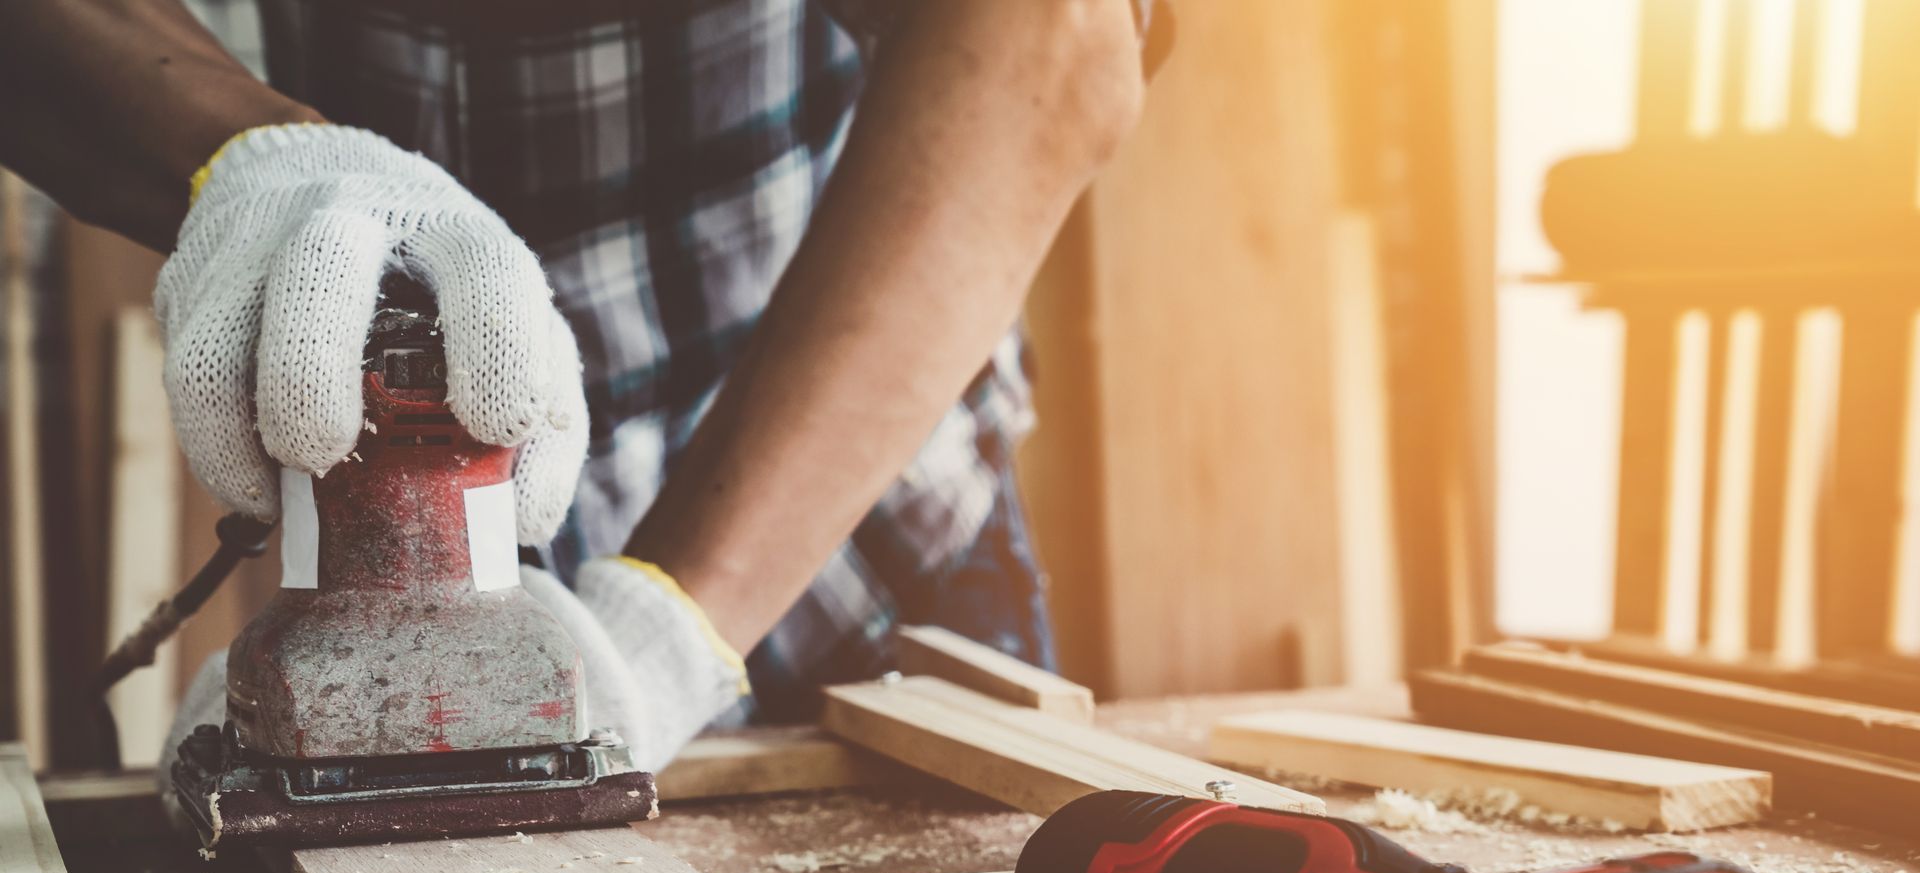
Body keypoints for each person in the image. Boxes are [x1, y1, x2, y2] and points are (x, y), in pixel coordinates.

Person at [0, 0, 1159, 768]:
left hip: (856, 548)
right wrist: (247, 154)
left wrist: (668, 628)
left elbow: (1050, 35)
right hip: (421, 584)